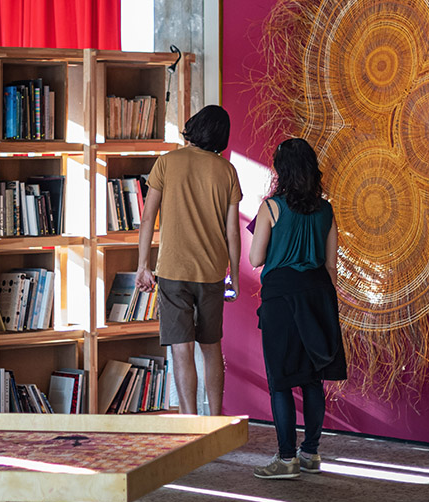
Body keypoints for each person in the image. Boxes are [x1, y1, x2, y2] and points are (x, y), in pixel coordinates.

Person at [247, 138, 346, 479]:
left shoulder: (271, 207)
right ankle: (311, 454)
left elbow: (256, 258)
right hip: (319, 294)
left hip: (281, 298)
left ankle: (286, 459)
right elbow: (332, 266)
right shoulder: (326, 209)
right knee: (313, 378)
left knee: (281, 381)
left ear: (281, 170)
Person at [136, 105, 242, 416]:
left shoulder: (167, 162)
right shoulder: (227, 171)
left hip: (172, 270)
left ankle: (188, 420)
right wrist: (233, 275)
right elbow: (232, 231)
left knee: (181, 350)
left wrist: (143, 265)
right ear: (221, 136)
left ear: (192, 126)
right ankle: (216, 419)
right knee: (211, 348)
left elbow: (147, 218)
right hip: (210, 271)